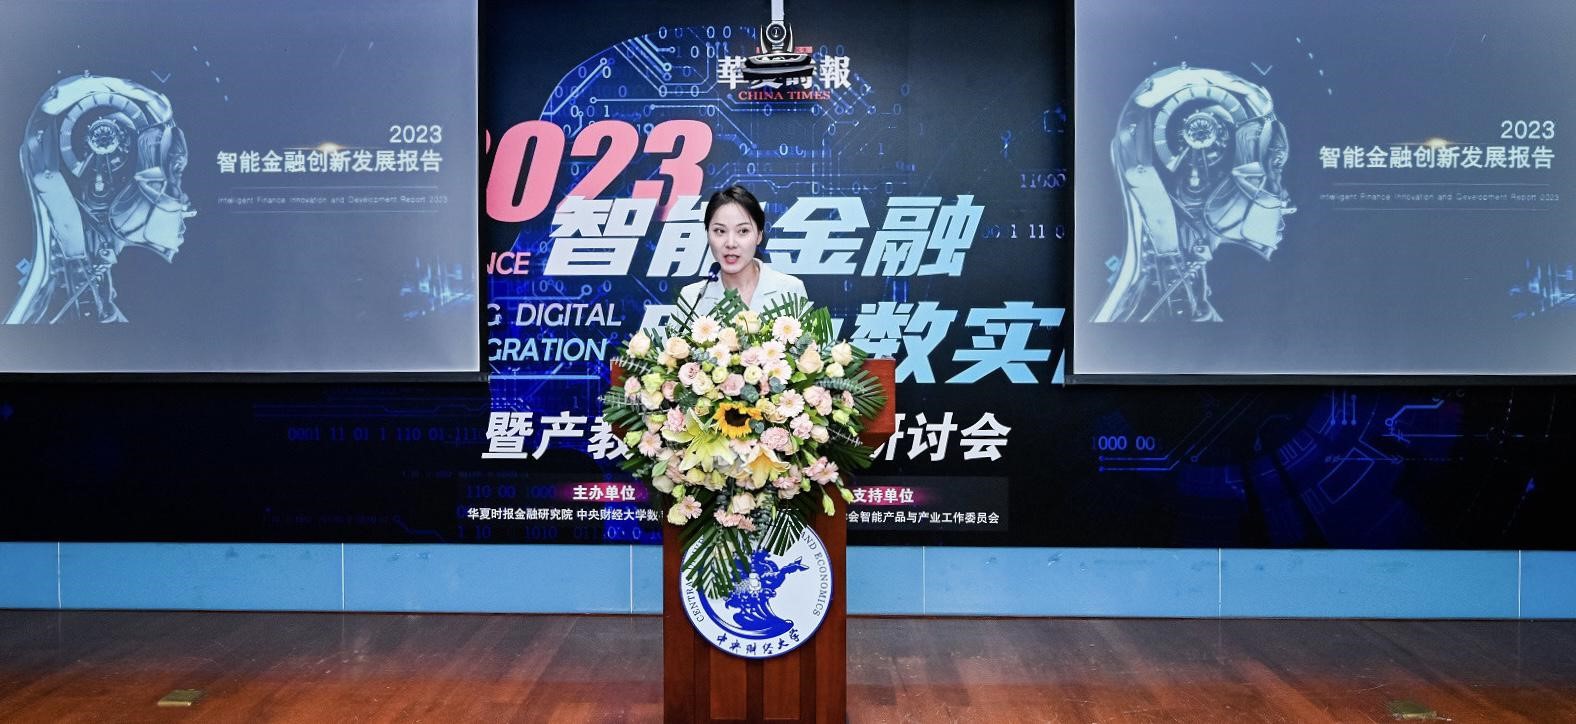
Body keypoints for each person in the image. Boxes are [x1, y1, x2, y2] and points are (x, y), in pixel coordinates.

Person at [678, 185, 807, 317]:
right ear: (708, 234)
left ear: (759, 235)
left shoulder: (790, 290)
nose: (730, 243)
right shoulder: (692, 298)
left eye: (743, 231)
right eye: (720, 231)